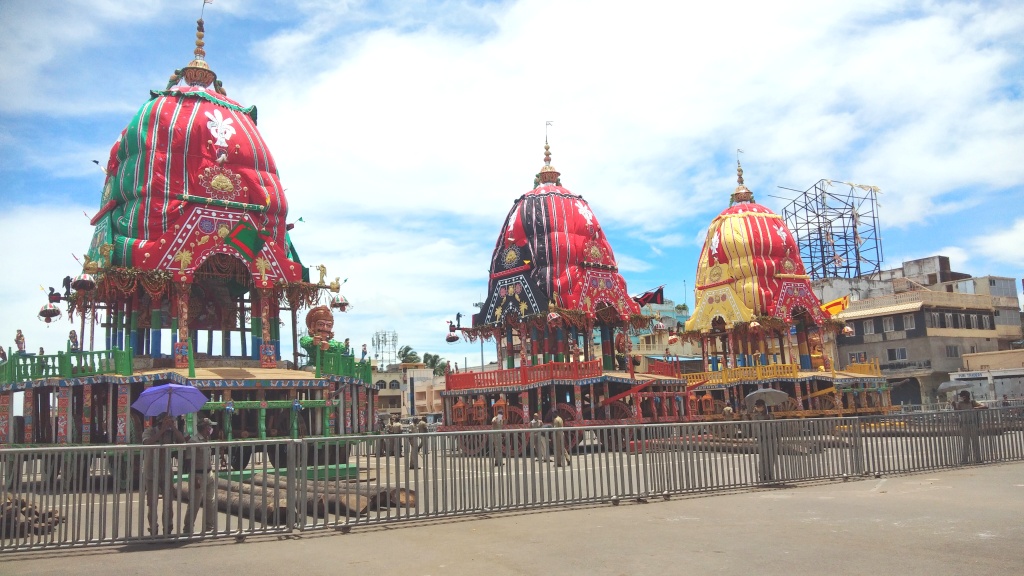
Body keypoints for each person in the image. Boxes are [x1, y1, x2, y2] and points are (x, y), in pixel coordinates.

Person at [142, 412, 185, 535]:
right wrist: (161, 431)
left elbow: (182, 441)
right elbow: (147, 442)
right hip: (151, 471)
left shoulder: (171, 433)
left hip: (166, 471)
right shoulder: (150, 431)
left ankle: (168, 528)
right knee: (152, 503)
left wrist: (173, 428)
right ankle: (153, 528)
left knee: (168, 502)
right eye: (167, 421)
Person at [183, 417, 218, 534]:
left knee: (210, 502)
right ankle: (187, 529)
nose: (211, 429)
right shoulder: (194, 441)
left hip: (209, 474)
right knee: (194, 504)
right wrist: (194, 477)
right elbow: (189, 460)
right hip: (198, 475)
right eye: (210, 427)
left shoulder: (207, 440)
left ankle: (209, 528)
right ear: (205, 428)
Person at [952, 390, 986, 465]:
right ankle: (964, 460)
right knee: (965, 443)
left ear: (966, 396)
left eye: (962, 396)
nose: (961, 398)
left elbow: (985, 406)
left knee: (975, 442)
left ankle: (978, 459)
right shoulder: (960, 404)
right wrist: (954, 406)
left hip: (973, 424)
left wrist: (975, 408)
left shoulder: (973, 402)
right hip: (964, 425)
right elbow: (957, 412)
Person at [749, 399, 776, 483]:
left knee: (771, 457)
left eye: (759, 406)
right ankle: (762, 475)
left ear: (763, 406)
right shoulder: (756, 416)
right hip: (762, 438)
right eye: (757, 406)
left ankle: (770, 474)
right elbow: (755, 428)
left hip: (770, 438)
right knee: (763, 458)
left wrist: (769, 418)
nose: (758, 407)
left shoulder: (770, 415)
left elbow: (774, 426)